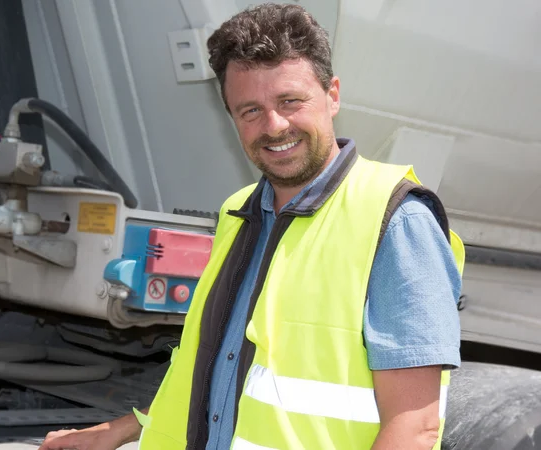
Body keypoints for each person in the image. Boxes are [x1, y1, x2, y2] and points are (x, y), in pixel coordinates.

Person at [40, 3, 464, 450]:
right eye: (250, 111)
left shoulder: (396, 220)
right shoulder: (239, 212)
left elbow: (414, 429)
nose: (274, 126)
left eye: (290, 101)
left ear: (332, 94)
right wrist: (121, 429)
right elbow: (214, 371)